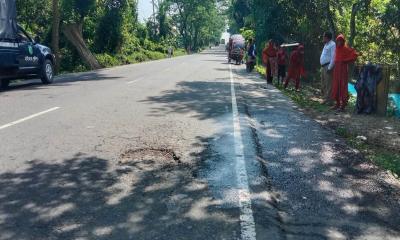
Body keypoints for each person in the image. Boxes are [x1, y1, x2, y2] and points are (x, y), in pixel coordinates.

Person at [331, 34, 358, 111]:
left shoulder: (346, 49)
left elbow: (354, 54)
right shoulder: (336, 49)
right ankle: (337, 104)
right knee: (336, 86)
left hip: (343, 71)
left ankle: (342, 106)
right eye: (338, 41)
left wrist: (345, 60)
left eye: (341, 41)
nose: (339, 42)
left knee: (342, 87)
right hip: (336, 70)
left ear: (343, 41)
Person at [320, 32, 336, 104]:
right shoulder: (326, 44)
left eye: (324, 36)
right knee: (323, 83)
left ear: (327, 37)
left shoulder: (333, 44)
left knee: (329, 84)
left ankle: (329, 100)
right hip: (323, 66)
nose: (323, 38)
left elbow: (333, 57)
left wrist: (330, 68)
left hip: (328, 66)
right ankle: (325, 98)